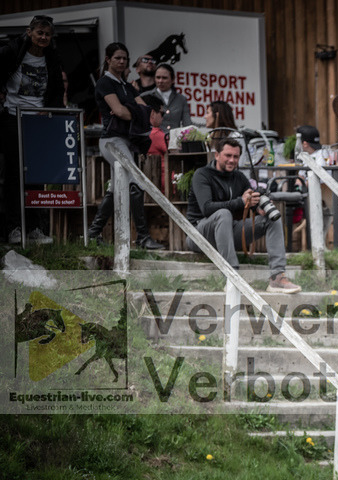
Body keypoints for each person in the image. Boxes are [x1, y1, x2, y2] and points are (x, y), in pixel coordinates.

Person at [186, 137, 301, 294]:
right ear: (217, 155)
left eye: (236, 156)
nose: (232, 160)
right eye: (228, 155)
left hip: (228, 232)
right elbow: (207, 208)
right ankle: (232, 277)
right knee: (224, 214)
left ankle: (277, 278)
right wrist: (241, 201)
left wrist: (257, 208)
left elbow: (247, 204)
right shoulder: (202, 175)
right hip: (198, 234)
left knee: (272, 218)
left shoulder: (239, 177)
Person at [86, 42, 164, 250]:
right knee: (135, 181)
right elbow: (120, 111)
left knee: (117, 187)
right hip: (111, 141)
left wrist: (135, 112)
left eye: (125, 59)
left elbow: (144, 109)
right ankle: (143, 237)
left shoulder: (126, 85)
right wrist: (136, 112)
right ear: (108, 59)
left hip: (127, 142)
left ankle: (92, 234)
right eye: (118, 58)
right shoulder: (105, 83)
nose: (122, 61)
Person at [1, 15, 64, 244]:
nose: (44, 38)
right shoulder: (11, 51)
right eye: (40, 33)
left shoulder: (52, 57)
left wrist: (51, 112)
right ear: (30, 32)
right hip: (12, 116)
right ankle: (14, 228)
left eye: (48, 34)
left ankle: (36, 228)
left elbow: (57, 89)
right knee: (15, 173)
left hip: (39, 120)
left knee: (37, 174)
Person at [151, 63, 190, 132]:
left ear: (173, 79)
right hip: (153, 140)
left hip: (174, 140)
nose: (160, 81)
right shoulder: (146, 96)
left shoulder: (181, 99)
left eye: (164, 78)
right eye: (158, 77)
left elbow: (187, 124)